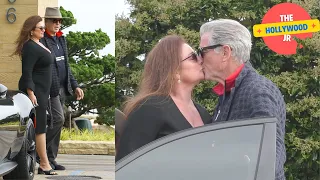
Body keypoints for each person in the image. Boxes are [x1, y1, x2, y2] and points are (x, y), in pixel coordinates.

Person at [198, 19, 286, 180]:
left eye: (202, 51)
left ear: (225, 52)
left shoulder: (257, 90)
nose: (199, 59)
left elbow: (270, 161)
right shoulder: (230, 91)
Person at [116, 35, 211, 161]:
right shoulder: (149, 109)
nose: (201, 60)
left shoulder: (202, 113)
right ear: (175, 70)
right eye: (193, 57)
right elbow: (127, 163)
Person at [39, 7, 84, 170]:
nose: (58, 24)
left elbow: (66, 65)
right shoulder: (42, 40)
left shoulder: (61, 39)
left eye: (60, 21)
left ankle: (50, 159)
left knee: (57, 122)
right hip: (50, 89)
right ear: (47, 22)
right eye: (54, 21)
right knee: (57, 120)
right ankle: (40, 154)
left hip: (63, 88)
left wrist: (75, 85)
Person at [14, 15, 57, 175]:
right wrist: (31, 93)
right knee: (40, 128)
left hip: (43, 91)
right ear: (32, 31)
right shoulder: (30, 47)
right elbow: (27, 72)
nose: (43, 30)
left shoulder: (39, 43)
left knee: (42, 127)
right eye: (40, 28)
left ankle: (43, 162)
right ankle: (44, 164)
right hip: (35, 92)